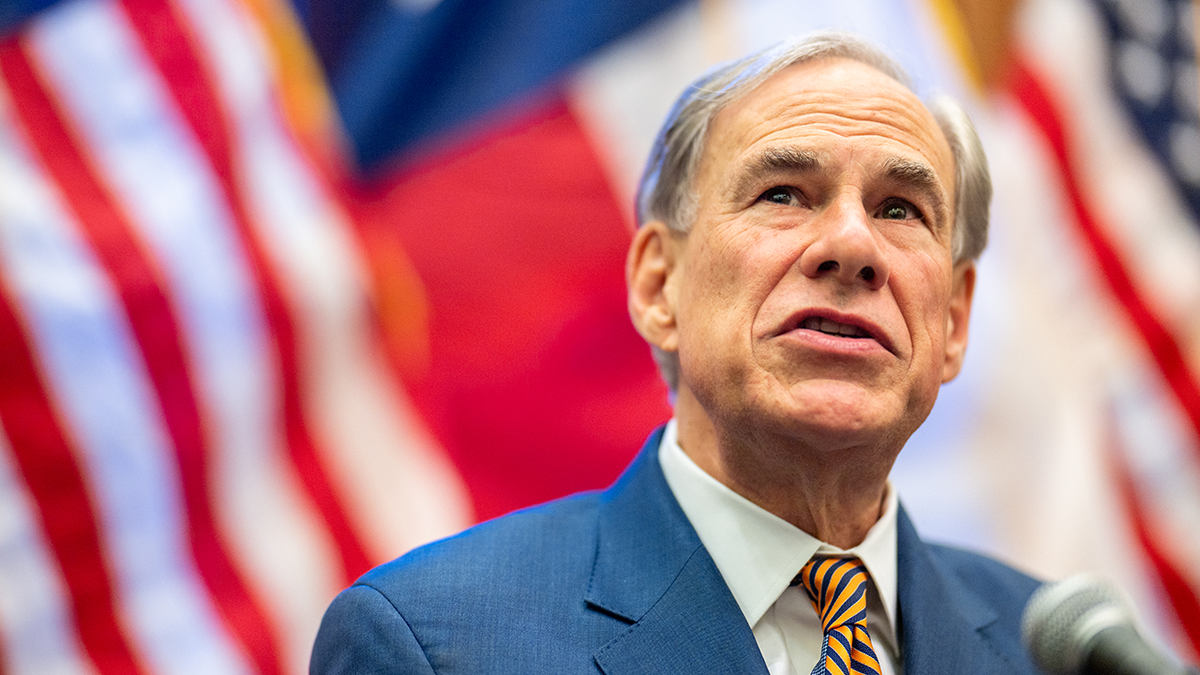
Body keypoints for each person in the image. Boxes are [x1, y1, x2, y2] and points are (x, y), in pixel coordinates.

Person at [311, 31, 1043, 675]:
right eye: (784, 193)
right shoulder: (435, 644)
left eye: (899, 209)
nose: (853, 245)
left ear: (952, 320)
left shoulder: (1058, 648)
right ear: (659, 285)